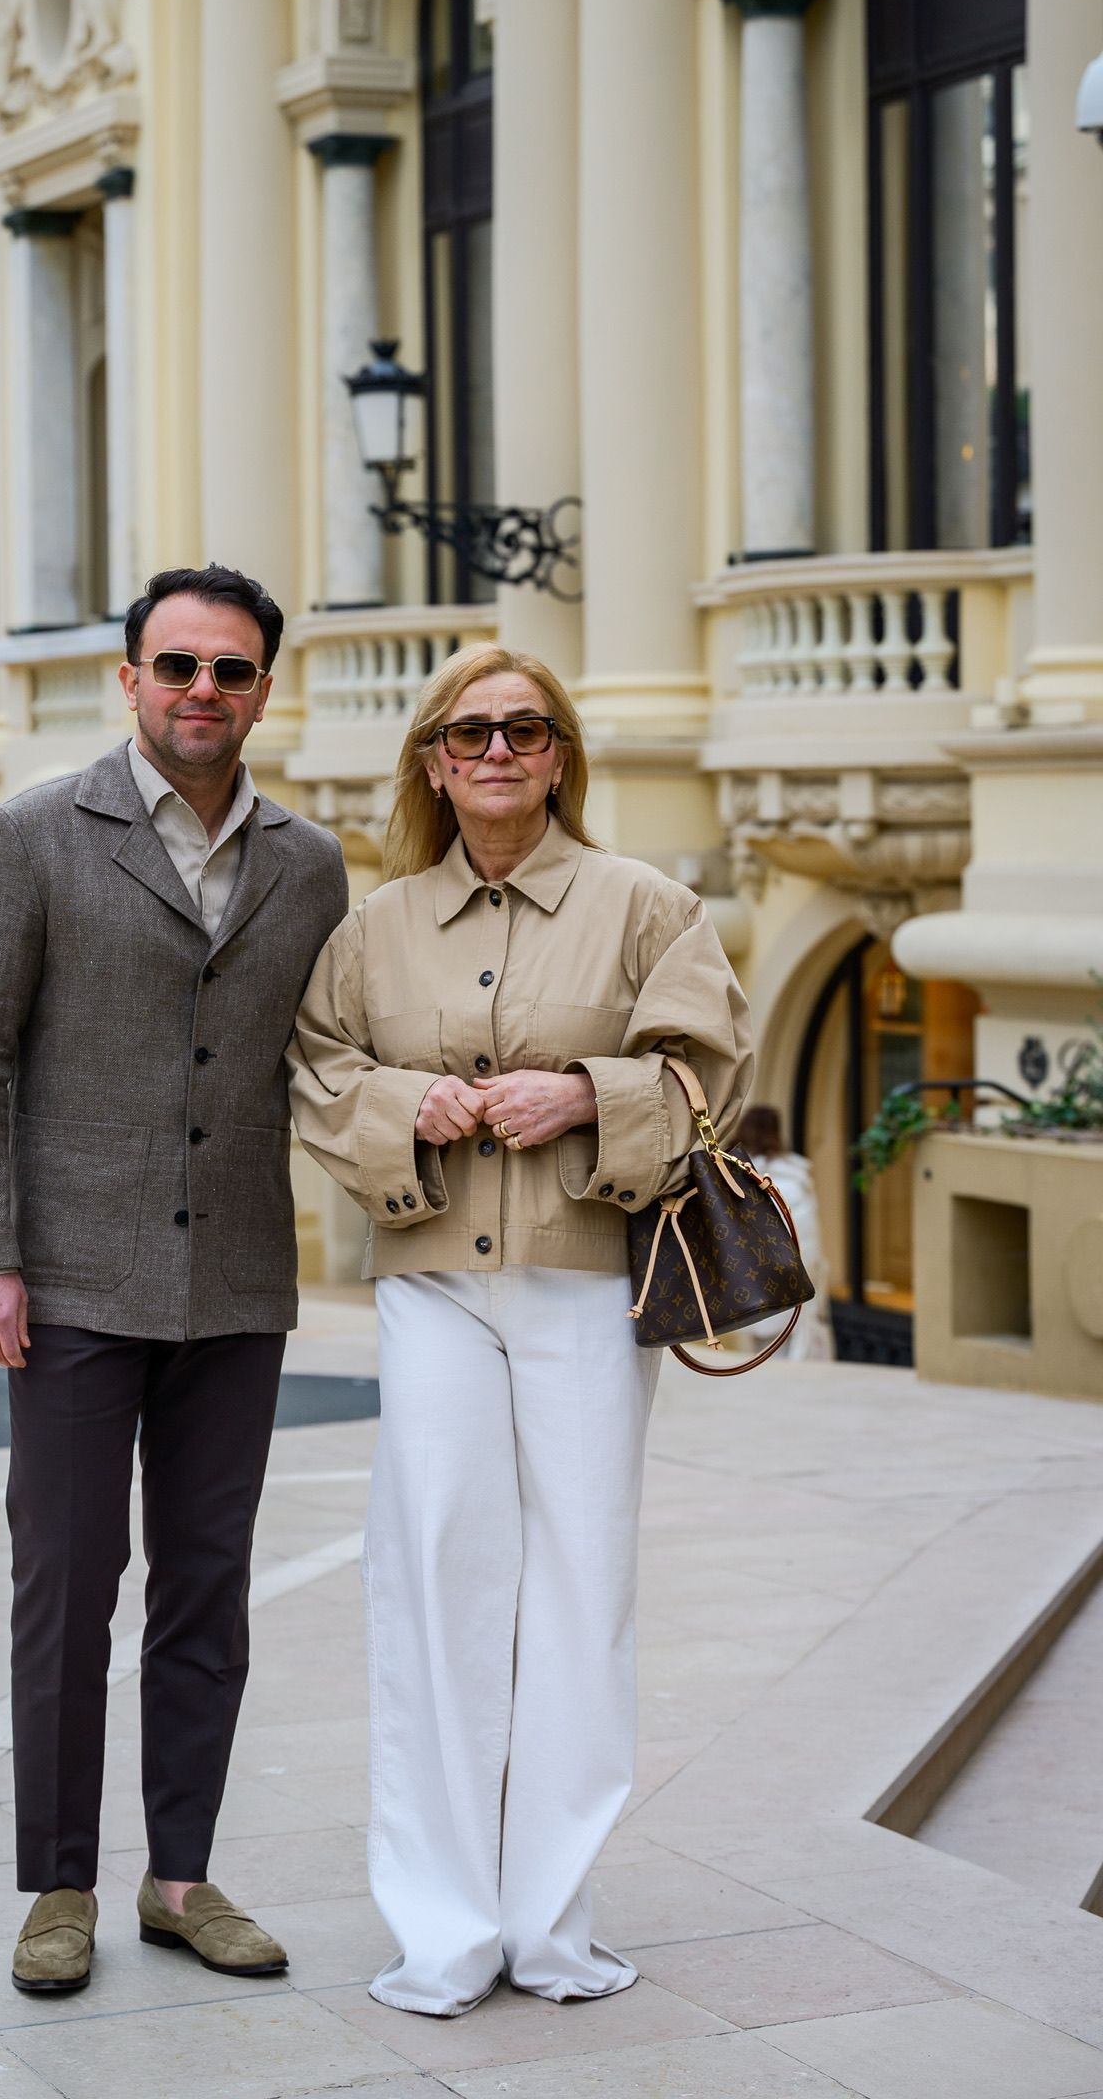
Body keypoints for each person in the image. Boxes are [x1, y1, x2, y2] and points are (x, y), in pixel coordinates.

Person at [287, 644, 752, 2018]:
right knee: (432, 1585)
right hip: (432, 1281)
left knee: (577, 1593)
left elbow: (710, 1065)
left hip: (588, 1287)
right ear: (434, 760)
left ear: (561, 756)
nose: (498, 752)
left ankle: (549, 1926)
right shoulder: (373, 931)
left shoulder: (646, 905)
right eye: (470, 733)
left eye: (526, 731)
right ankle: (442, 1932)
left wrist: (589, 1097)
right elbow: (318, 1070)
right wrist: (401, 1112)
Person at [0, 565, 348, 1997]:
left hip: (235, 1282)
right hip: (71, 1280)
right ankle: (59, 1884)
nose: (202, 693)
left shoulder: (310, 863)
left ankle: (180, 1877)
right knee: (65, 1585)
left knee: (207, 1589)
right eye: (177, 666)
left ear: (263, 691)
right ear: (129, 680)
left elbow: (328, 1055)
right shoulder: (34, 836)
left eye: (231, 671)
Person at [734, 1104, 835, 1361]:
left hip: (743, 1284)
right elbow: (807, 1242)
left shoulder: (729, 1178)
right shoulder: (795, 1178)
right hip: (790, 1285)